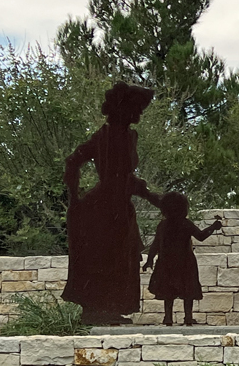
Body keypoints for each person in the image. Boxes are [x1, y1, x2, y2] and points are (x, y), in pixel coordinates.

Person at [62, 82, 154, 325]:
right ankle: (97, 309)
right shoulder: (109, 135)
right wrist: (74, 197)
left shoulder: (124, 135)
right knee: (107, 255)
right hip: (105, 206)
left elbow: (123, 177)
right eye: (137, 108)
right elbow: (74, 162)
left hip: (115, 204)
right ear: (124, 108)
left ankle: (109, 307)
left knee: (122, 255)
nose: (140, 113)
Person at [142, 191, 222, 326]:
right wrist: (213, 227)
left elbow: (155, 244)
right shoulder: (185, 223)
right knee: (188, 291)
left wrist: (149, 260)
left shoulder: (163, 225)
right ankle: (188, 317)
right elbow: (201, 236)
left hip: (166, 261)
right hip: (185, 262)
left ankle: (168, 317)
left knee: (168, 292)